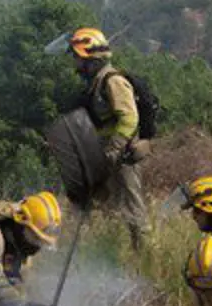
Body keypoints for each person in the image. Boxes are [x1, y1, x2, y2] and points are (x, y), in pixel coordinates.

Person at [67, 28, 151, 251]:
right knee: (98, 203)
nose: (75, 63)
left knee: (132, 204)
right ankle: (97, 250)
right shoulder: (96, 82)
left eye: (77, 57)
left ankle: (143, 254)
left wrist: (114, 149)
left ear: (90, 59)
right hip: (106, 152)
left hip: (123, 154)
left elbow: (129, 118)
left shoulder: (113, 81)